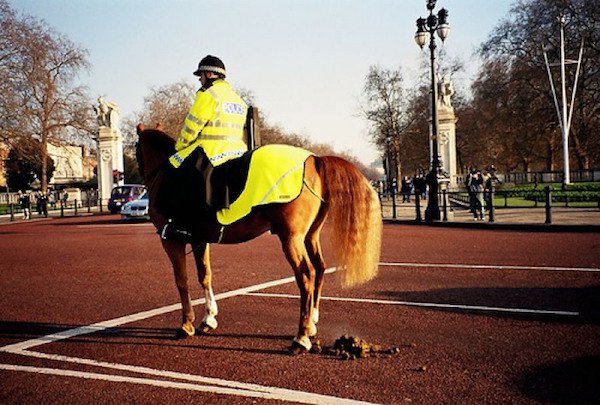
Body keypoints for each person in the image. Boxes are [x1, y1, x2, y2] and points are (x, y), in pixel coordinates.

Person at [161, 55, 249, 241]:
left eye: (200, 75)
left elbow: (192, 126)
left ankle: (181, 226)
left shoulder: (207, 94)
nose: (199, 80)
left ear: (209, 74)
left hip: (212, 150)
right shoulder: (238, 100)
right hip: (239, 152)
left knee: (173, 168)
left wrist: (180, 146)